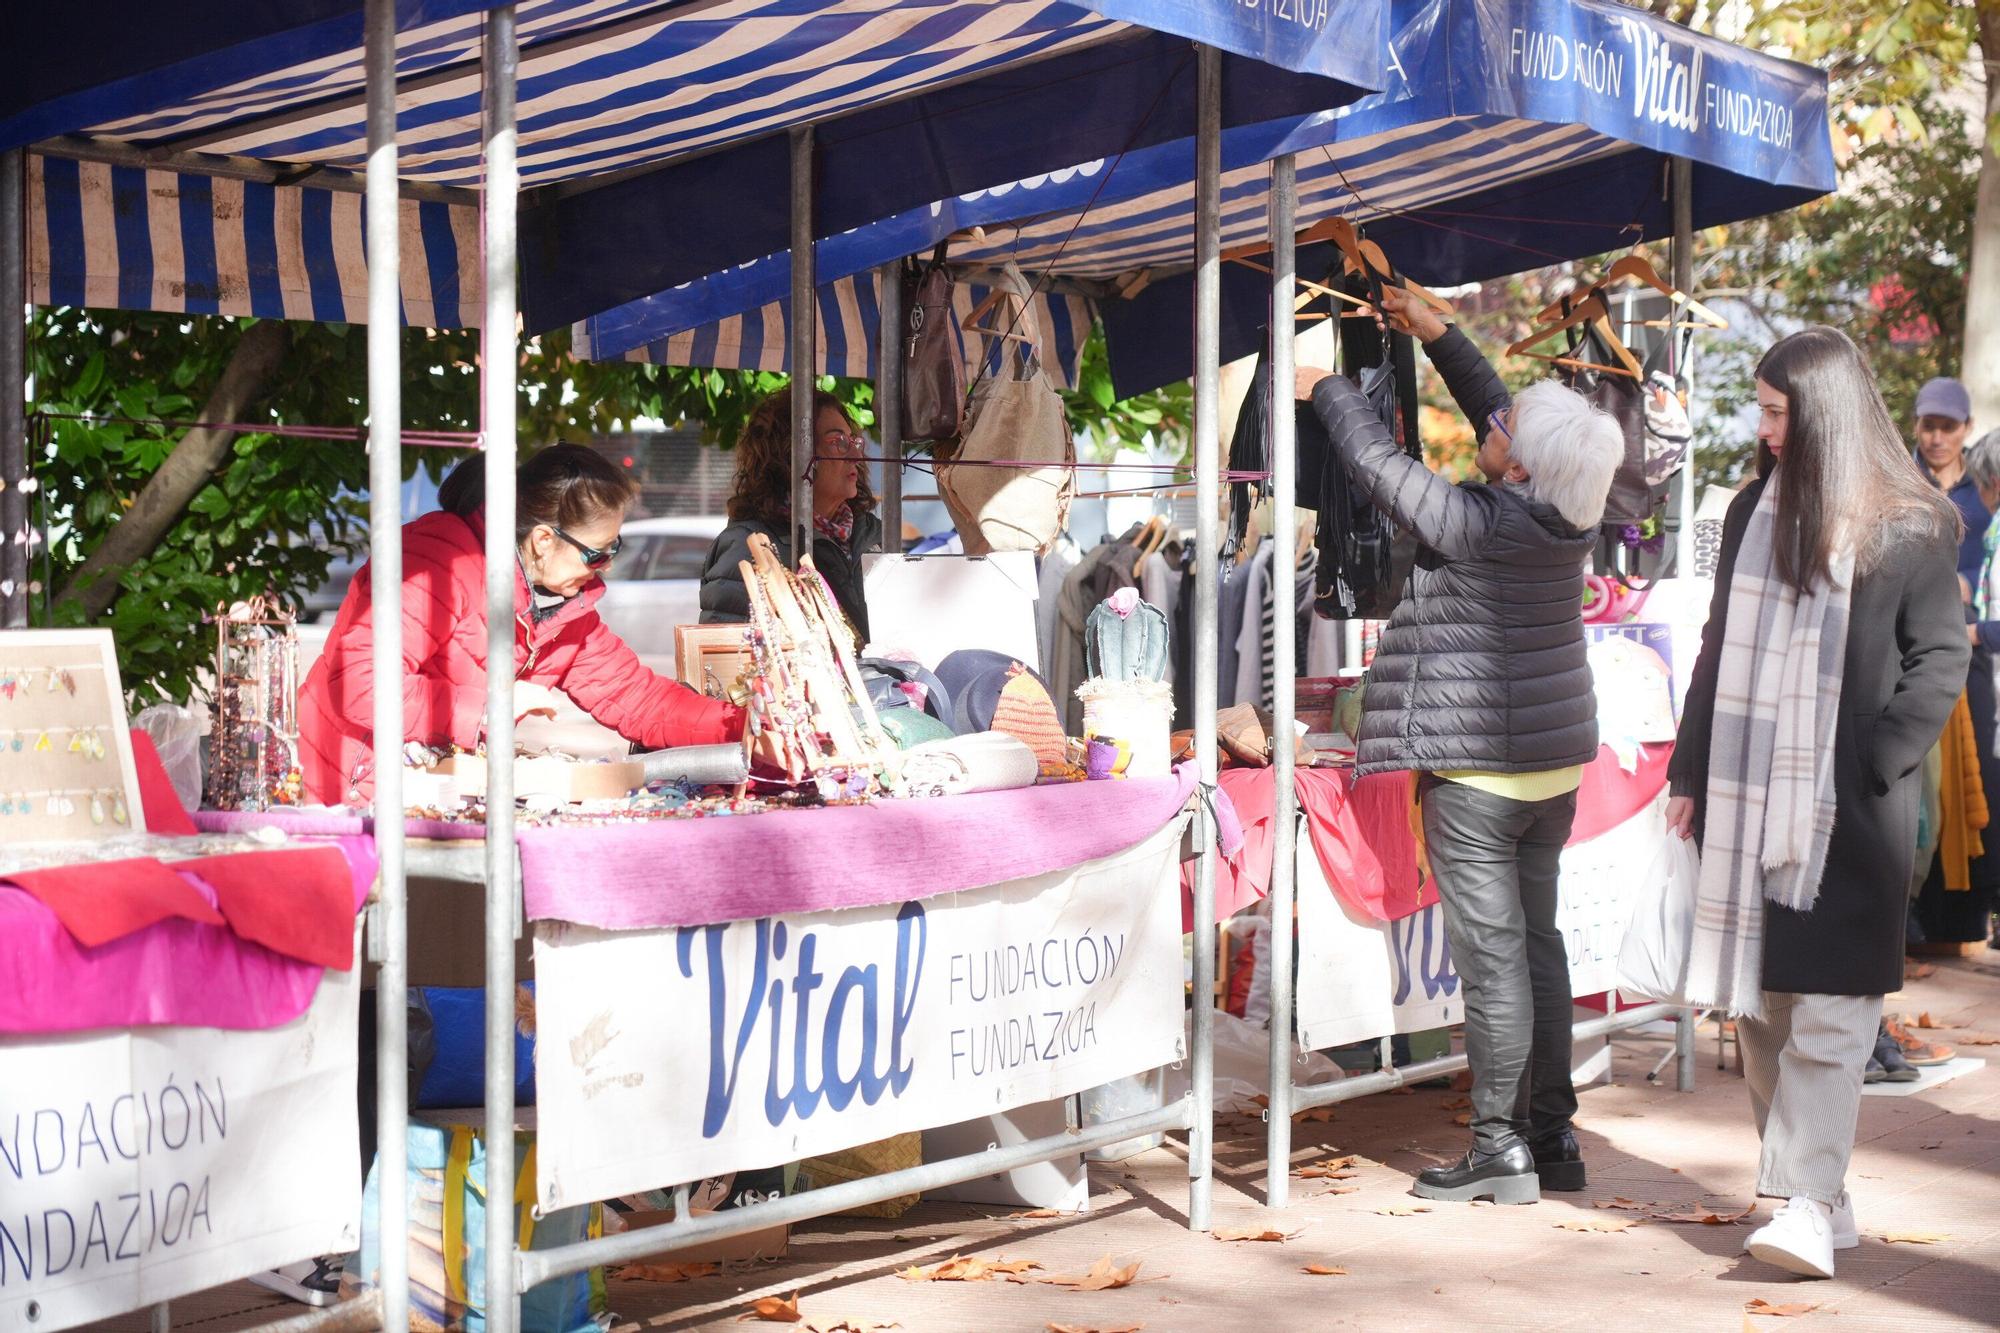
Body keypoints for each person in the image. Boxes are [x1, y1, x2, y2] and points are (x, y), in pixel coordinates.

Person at [1300, 285, 1624, 1205]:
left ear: (1516, 464)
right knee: (1538, 949)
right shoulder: (1570, 511)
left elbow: (1374, 461)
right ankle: (1552, 1138)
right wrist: (1439, 332)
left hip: (1478, 778)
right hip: (1551, 773)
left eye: (1508, 425)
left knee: (1493, 963)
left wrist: (1327, 386)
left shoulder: (1475, 524)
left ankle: (1496, 1148)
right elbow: (1504, 413)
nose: (1498, 417)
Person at [1666, 328, 1967, 1280]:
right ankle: (1823, 1195)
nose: (1762, 431)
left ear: (1824, 412)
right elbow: (1717, 648)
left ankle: (1798, 1201)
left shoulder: (1914, 523)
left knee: (1836, 1015)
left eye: (1776, 411)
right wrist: (1687, 771)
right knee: (1763, 1015)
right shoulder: (1757, 506)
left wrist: (1876, 758)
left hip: (1855, 819)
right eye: (1760, 410)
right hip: (1749, 802)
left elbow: (1942, 660)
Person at [299, 444, 744, 805]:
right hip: (344, 790)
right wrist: (494, 704)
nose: (606, 566)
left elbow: (643, 701)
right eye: (597, 553)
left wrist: (746, 728)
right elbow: (357, 684)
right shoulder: (437, 559)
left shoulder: (565, 611)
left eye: (615, 548)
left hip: (427, 793)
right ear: (544, 540)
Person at [700, 385, 880, 643]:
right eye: (837, 442)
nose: (856, 455)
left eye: (853, 441)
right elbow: (728, 658)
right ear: (790, 454)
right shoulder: (746, 547)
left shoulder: (873, 534)